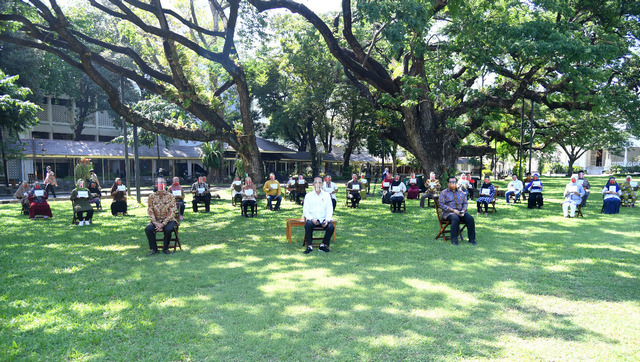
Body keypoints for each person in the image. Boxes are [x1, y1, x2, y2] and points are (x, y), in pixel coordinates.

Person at [439, 177, 476, 245]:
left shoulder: (461, 192)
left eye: (454, 182)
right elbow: (441, 205)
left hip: (461, 212)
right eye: (451, 182)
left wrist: (463, 211)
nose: (453, 184)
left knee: (470, 219)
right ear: (447, 183)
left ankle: (472, 239)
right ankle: (454, 240)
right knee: (455, 218)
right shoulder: (443, 193)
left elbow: (465, 203)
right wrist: (453, 210)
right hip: (448, 213)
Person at [145, 178, 177, 256]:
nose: (160, 185)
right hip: (156, 220)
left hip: (168, 220)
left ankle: (165, 248)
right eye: (158, 184)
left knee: (169, 229)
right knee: (148, 229)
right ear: (155, 185)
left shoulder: (170, 196)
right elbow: (150, 210)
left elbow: (172, 211)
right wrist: (155, 223)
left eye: (162, 183)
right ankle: (154, 249)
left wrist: (164, 223)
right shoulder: (151, 196)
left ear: (165, 185)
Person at [302, 177, 335, 254]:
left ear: (322, 184)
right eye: (316, 183)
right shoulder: (308, 195)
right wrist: (312, 219)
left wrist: (327, 220)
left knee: (331, 227)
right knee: (308, 225)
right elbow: (305, 211)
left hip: (323, 219)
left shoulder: (326, 195)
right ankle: (309, 246)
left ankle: (323, 245)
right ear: (313, 184)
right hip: (313, 219)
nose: (318, 185)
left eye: (320, 182)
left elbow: (330, 209)